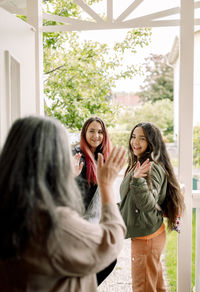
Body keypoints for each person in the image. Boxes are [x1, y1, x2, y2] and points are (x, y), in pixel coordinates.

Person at [0, 115, 127, 292]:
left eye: (100, 132)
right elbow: (111, 242)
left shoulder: (11, 210)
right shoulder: (51, 223)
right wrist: (106, 186)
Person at [119, 122, 184, 292]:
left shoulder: (151, 167)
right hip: (148, 235)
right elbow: (130, 199)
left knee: (143, 287)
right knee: (154, 285)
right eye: (133, 137)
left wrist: (138, 180)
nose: (135, 142)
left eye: (142, 138)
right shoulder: (139, 163)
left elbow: (147, 203)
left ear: (152, 143)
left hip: (147, 238)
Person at [73, 116, 117, 285]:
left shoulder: (101, 157)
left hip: (95, 225)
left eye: (100, 132)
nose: (96, 135)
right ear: (84, 133)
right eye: (92, 131)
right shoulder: (78, 156)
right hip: (81, 227)